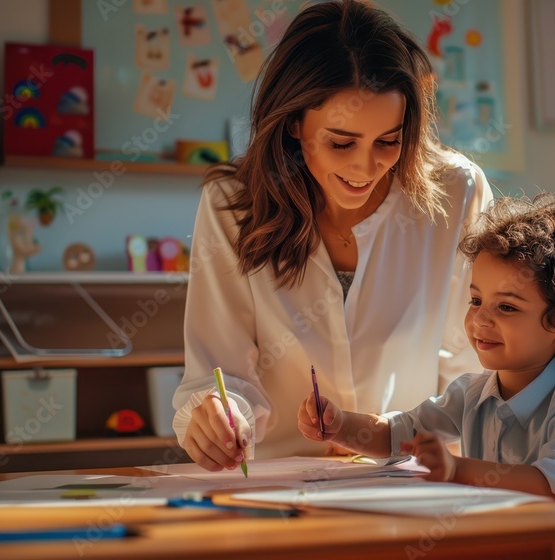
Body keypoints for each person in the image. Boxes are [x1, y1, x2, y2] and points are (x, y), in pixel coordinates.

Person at [173, 0, 493, 471]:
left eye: (389, 140)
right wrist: (215, 417)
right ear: (294, 123)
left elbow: (476, 372)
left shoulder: (455, 192)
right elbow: (219, 373)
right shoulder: (232, 206)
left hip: (412, 480)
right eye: (341, 142)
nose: (365, 168)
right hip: (281, 485)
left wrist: (388, 439)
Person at [298, 193, 555, 560]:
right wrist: (341, 426)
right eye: (475, 301)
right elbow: (397, 433)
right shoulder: (470, 393)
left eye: (506, 307)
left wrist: (456, 468)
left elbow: (548, 486)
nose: (480, 320)